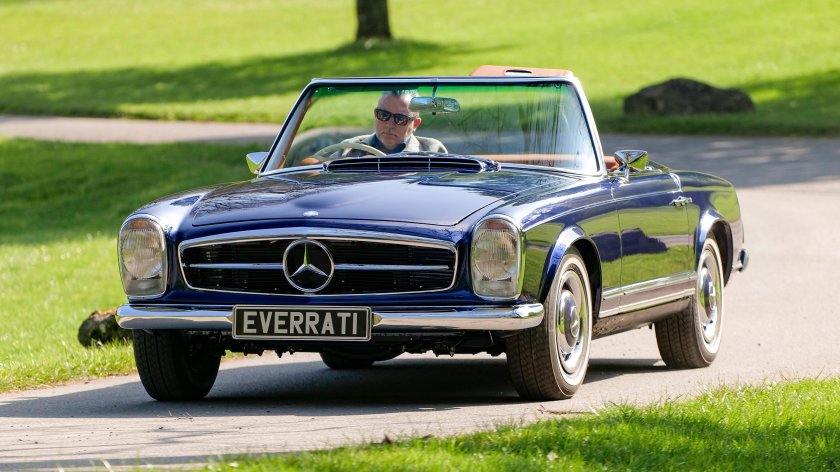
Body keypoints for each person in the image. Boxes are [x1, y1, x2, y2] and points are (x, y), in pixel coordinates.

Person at [333, 90, 447, 157]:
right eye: (383, 115)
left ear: (415, 124)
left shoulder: (432, 152)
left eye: (400, 118)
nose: (389, 124)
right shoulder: (348, 149)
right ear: (375, 114)